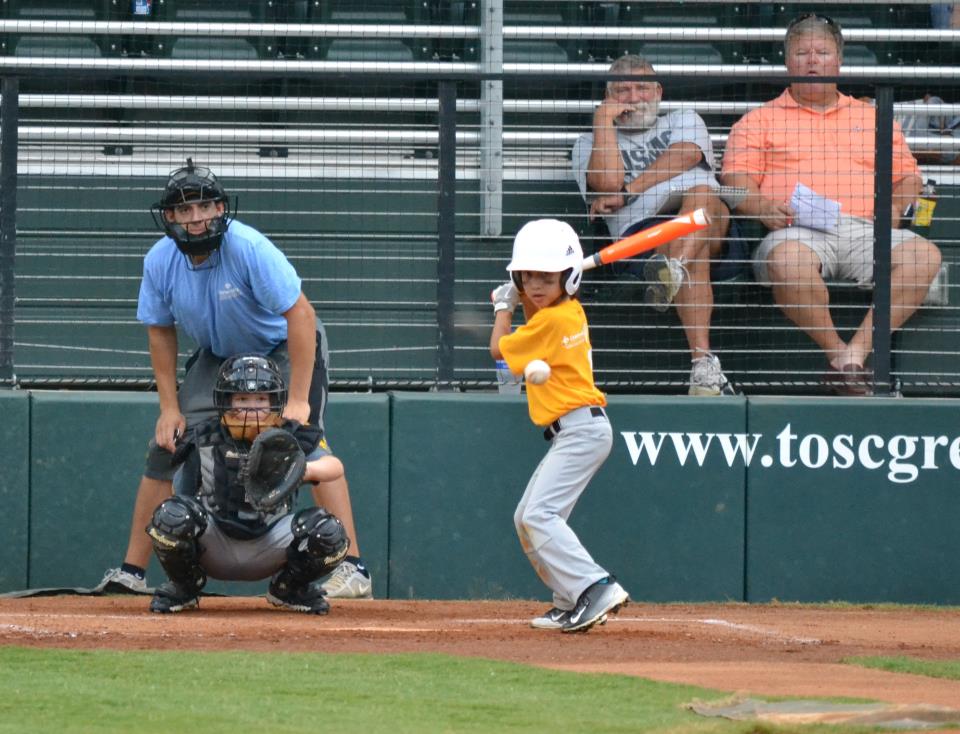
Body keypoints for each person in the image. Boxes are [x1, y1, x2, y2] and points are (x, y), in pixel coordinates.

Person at [96, 159, 372, 599]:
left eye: (205, 205)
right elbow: (158, 330)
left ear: (221, 208)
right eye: (184, 210)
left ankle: (354, 568)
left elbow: (301, 315)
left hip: (282, 347)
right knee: (167, 446)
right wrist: (168, 408)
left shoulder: (248, 248)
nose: (196, 217)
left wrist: (298, 399)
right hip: (220, 356)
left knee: (305, 441)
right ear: (169, 217)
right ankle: (132, 571)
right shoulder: (159, 260)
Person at [720, 14, 942, 396]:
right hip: (795, 231)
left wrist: (893, 206)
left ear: (838, 59)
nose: (812, 60)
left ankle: (853, 356)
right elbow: (734, 183)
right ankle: (840, 356)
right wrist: (760, 205)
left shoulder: (872, 116)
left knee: (926, 257)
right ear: (787, 61)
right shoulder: (758, 120)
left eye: (822, 52)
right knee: (787, 263)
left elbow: (909, 177)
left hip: (865, 229)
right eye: (802, 52)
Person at [571, 53, 743, 396]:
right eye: (622, 90)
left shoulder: (683, 119)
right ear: (607, 98)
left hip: (710, 220)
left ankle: (672, 270)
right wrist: (603, 123)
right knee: (693, 243)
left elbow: (687, 155)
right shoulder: (588, 144)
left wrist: (629, 191)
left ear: (659, 91)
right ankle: (703, 367)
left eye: (642, 88)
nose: (634, 98)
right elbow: (605, 183)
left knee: (701, 195)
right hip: (643, 238)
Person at [489, 218, 629, 633]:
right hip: (579, 431)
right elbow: (540, 310)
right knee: (527, 517)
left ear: (567, 279)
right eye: (527, 275)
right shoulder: (565, 312)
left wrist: (503, 305)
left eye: (546, 277)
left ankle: (594, 586)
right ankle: (569, 598)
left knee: (540, 515)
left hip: (581, 431)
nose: (534, 284)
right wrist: (528, 292)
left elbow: (498, 350)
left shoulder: (551, 322)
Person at [147, 355, 349, 614]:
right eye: (242, 400)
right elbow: (181, 492)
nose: (252, 409)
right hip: (215, 540)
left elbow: (335, 467)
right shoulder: (204, 436)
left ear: (274, 402)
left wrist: (302, 470)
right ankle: (185, 585)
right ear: (226, 402)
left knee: (330, 532)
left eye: (261, 400)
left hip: (272, 541)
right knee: (171, 516)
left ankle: (289, 589)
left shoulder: (292, 435)